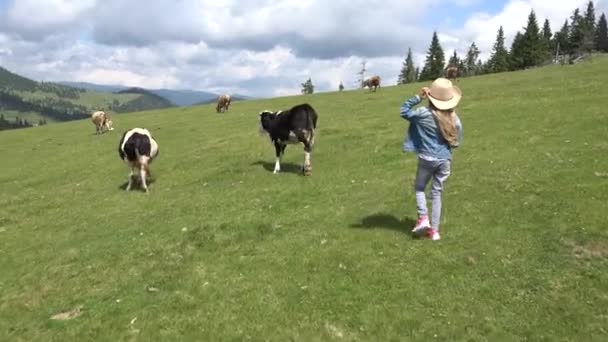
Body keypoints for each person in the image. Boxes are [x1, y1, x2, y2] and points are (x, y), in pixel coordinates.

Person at [400, 78, 463, 241]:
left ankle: (423, 218)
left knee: (420, 188)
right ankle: (434, 232)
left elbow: (404, 111)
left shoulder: (423, 114)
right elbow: (457, 141)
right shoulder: (454, 118)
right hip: (445, 161)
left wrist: (418, 97)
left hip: (427, 158)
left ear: (431, 96)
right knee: (436, 194)